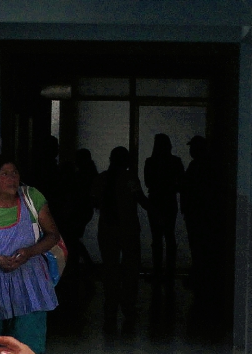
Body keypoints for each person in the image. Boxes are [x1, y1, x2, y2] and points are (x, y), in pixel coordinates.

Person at [0, 153, 63, 354]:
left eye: (15, 173)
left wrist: (29, 252)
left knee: (27, 353)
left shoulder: (32, 198)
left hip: (30, 287)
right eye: (5, 174)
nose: (12, 179)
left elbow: (53, 235)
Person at [91, 146, 148, 331]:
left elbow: (93, 200)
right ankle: (128, 306)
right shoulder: (130, 179)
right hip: (128, 229)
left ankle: (111, 307)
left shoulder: (102, 179)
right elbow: (141, 199)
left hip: (107, 228)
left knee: (110, 268)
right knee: (130, 268)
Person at [143, 134, 185, 291]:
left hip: (155, 201)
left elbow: (148, 182)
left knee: (157, 237)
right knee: (169, 235)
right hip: (169, 201)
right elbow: (182, 183)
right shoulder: (175, 162)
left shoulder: (150, 162)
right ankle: (169, 272)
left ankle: (157, 271)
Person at [181, 135, 216, 302]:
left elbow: (190, 189)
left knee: (198, 246)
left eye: (192, 147)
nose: (190, 150)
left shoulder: (198, 166)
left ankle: (199, 279)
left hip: (198, 214)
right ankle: (200, 278)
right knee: (200, 247)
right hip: (200, 214)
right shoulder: (205, 164)